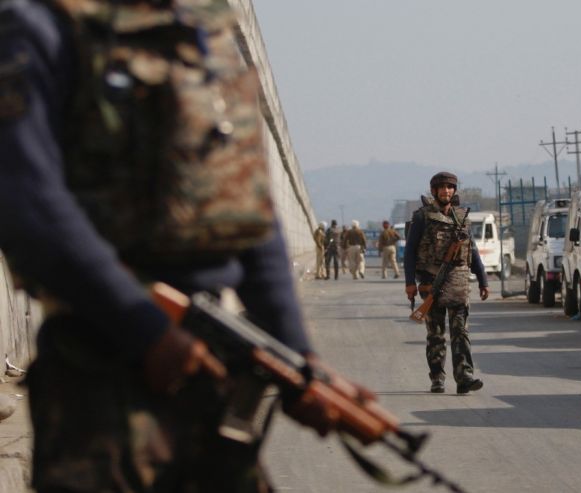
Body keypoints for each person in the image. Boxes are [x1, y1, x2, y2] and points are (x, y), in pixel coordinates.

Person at [0, 1, 353, 491]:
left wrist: (296, 358)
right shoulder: (44, 26)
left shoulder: (203, 32)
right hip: (101, 375)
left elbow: (250, 210)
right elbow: (28, 204)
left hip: (214, 374)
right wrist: (145, 328)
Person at [404, 172, 489, 394]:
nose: (446, 191)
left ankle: (464, 377)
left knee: (460, 331)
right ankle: (437, 377)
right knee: (436, 333)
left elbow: (473, 251)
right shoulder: (422, 217)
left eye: (450, 187)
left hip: (458, 281)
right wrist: (409, 283)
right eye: (441, 187)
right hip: (431, 281)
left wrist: (483, 280)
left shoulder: (461, 217)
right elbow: (410, 252)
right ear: (434, 191)